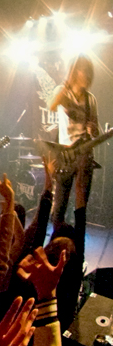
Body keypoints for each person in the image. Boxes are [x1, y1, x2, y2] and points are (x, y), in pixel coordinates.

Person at [48, 54, 100, 224]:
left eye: (90, 72)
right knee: (59, 205)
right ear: (75, 71)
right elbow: (52, 105)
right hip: (66, 155)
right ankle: (57, 236)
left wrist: (93, 129)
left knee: (81, 206)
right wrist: (66, 85)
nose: (88, 75)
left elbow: (97, 132)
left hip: (84, 157)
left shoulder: (91, 99)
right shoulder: (62, 91)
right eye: (84, 71)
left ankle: (78, 240)